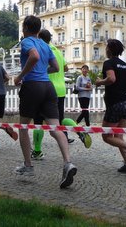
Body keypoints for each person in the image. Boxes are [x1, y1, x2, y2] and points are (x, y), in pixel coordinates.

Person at [13, 15, 77, 189]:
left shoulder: (27, 42)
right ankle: (67, 163)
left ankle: (28, 165)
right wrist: (42, 71)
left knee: (24, 127)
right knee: (55, 128)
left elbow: (33, 57)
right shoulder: (45, 44)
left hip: (32, 86)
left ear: (25, 27)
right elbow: (56, 67)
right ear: (39, 28)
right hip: (48, 87)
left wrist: (21, 76)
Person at [31, 29, 91, 160]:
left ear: (40, 39)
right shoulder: (57, 51)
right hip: (61, 90)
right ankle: (78, 129)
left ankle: (37, 151)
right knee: (59, 118)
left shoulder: (41, 50)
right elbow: (65, 68)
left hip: (46, 89)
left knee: (38, 121)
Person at [95, 39, 126, 174]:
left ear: (110, 49)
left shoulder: (109, 63)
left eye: (107, 47)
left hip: (115, 103)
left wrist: (99, 82)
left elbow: (111, 79)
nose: (105, 49)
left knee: (107, 136)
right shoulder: (125, 65)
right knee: (118, 135)